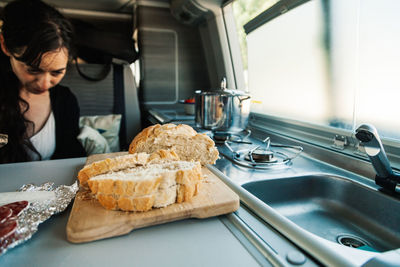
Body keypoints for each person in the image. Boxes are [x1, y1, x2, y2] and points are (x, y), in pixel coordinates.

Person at [0, 0, 86, 164]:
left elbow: (70, 157)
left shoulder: (65, 100)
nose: (45, 84)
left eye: (57, 72)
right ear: (5, 46)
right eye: (33, 70)